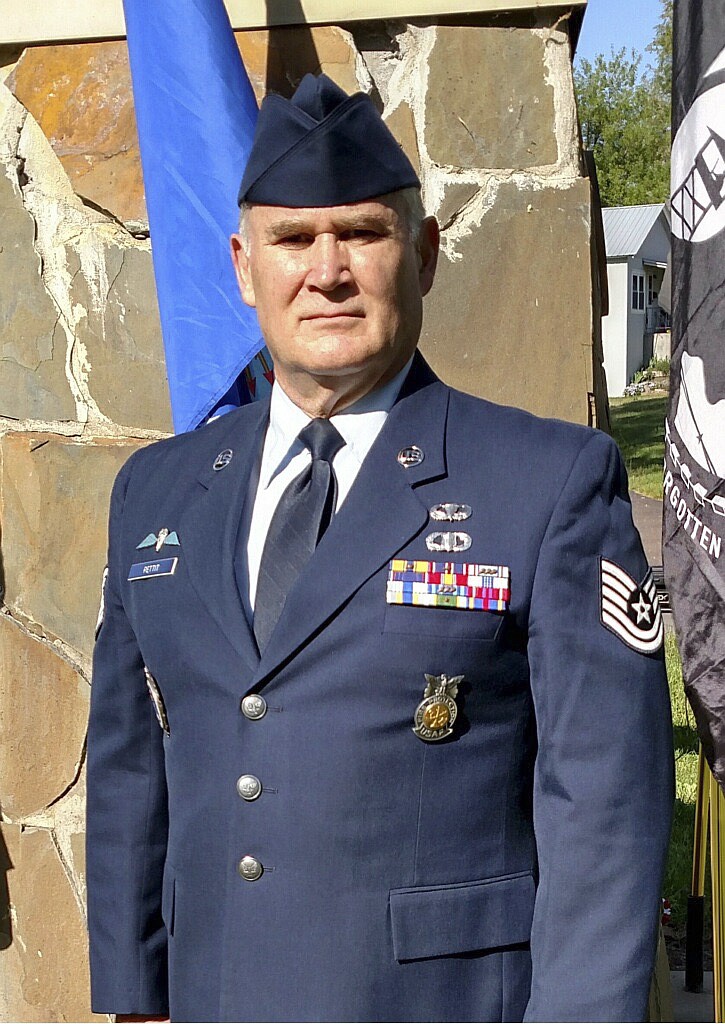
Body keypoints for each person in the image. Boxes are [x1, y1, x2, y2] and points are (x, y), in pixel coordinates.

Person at [86, 74, 674, 1023]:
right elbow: (126, 769)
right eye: (291, 240)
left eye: (361, 233)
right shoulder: (156, 491)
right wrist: (134, 996)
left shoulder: (545, 482)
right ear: (242, 267)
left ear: (426, 253)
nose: (326, 271)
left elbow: (603, 805)